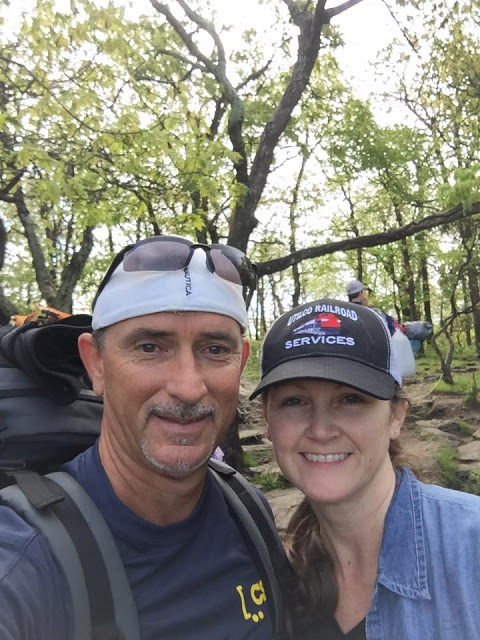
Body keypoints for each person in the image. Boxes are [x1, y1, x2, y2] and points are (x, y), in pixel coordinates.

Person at [0, 235, 284, 640]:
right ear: (95, 364)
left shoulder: (248, 510)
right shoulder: (25, 555)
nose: (188, 387)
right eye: (150, 347)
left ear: (240, 362)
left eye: (215, 349)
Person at [250, 297, 480, 639]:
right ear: (267, 420)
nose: (321, 430)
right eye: (294, 401)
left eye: (351, 399)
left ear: (396, 416)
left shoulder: (470, 549)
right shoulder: (273, 579)